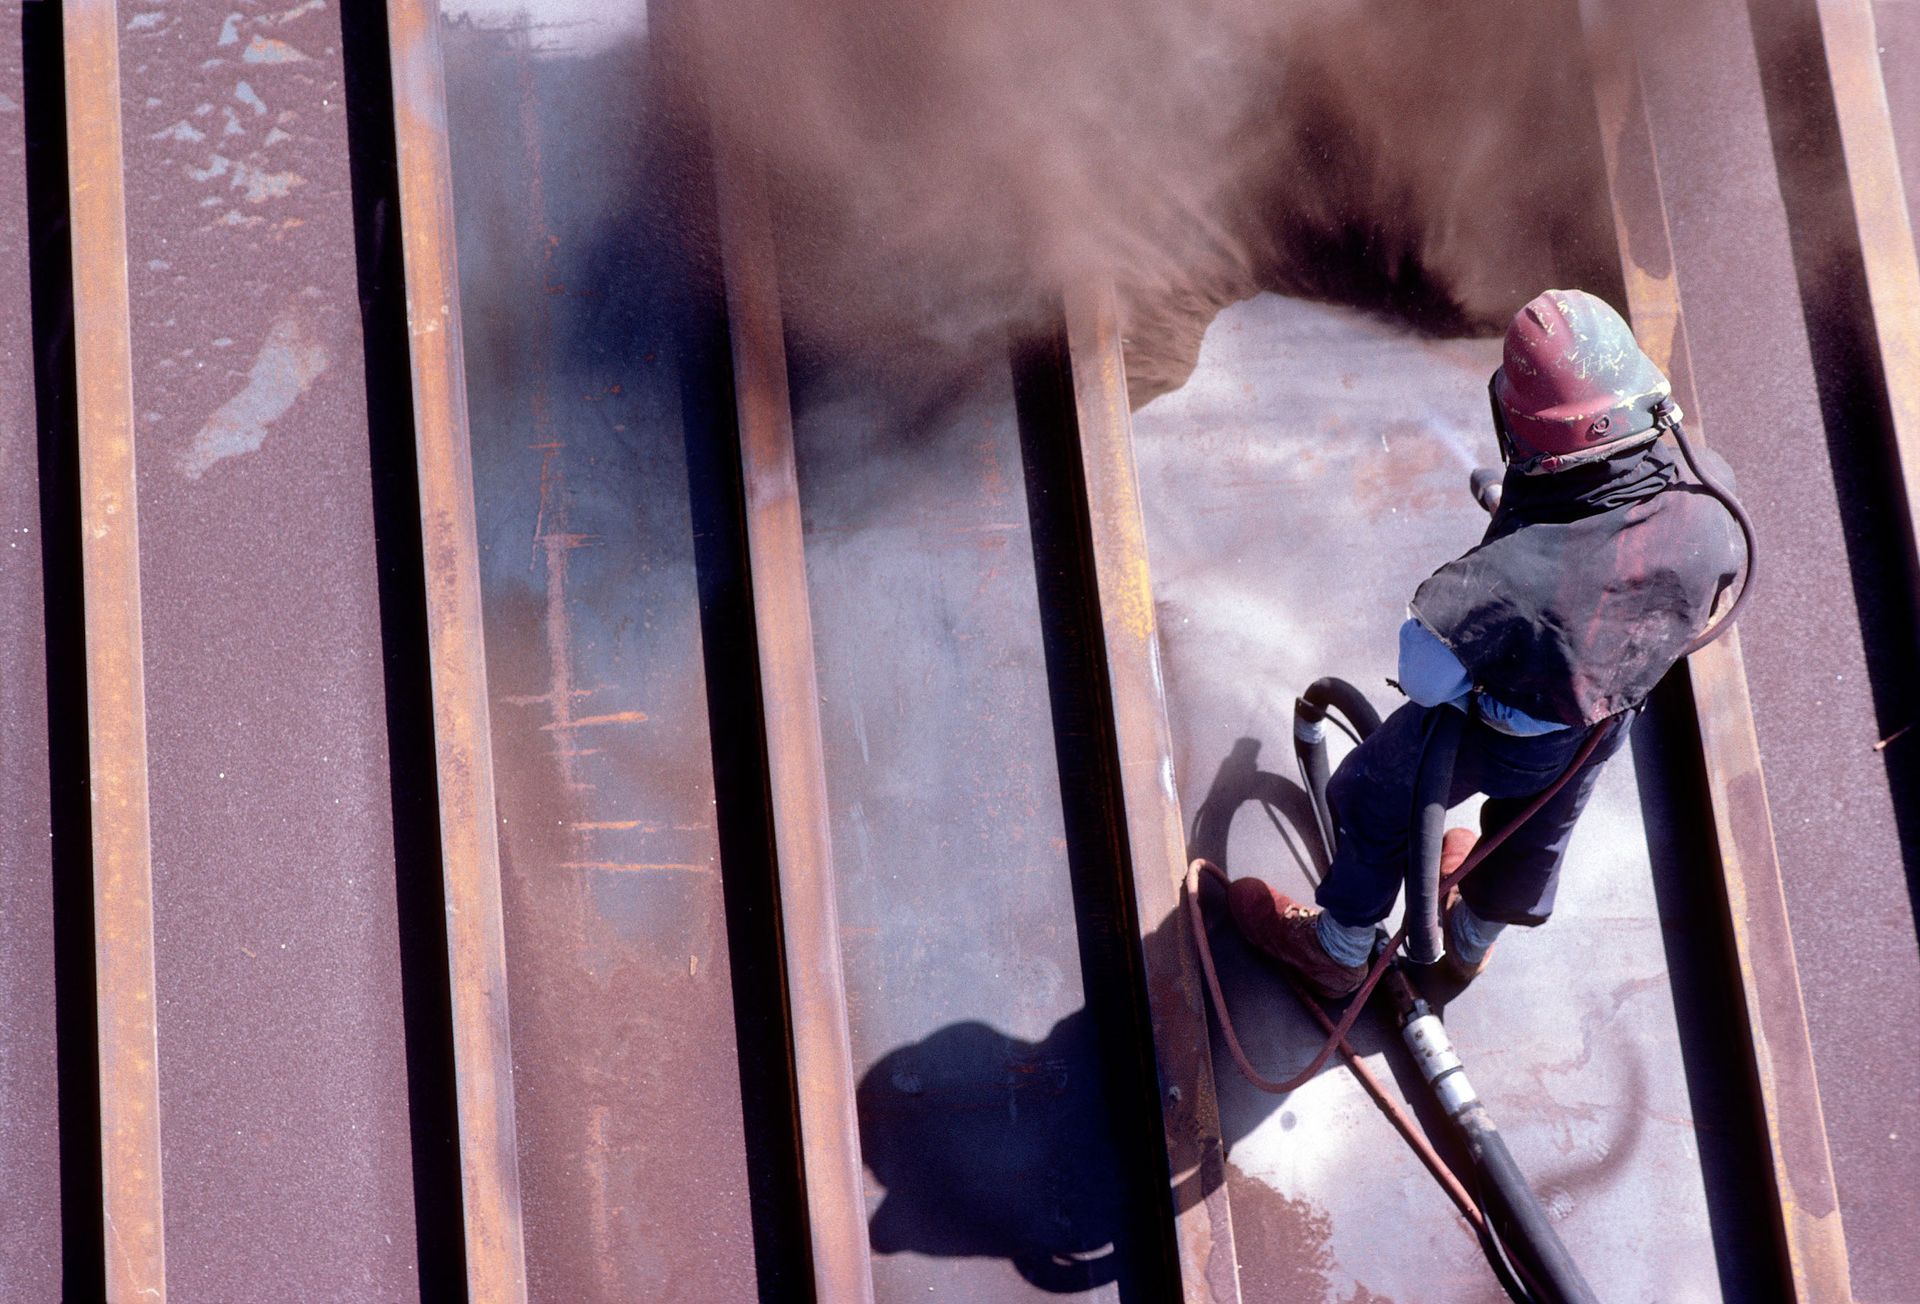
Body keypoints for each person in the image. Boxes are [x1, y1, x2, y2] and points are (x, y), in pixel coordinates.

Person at [1228, 289, 1746, 999]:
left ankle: (1340, 949)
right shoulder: (1711, 493)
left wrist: (1522, 547)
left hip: (1499, 733)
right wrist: (1540, 519)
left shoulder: (1503, 583)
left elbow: (1426, 678)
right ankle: (1468, 945)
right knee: (1537, 838)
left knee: (1373, 795)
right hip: (1604, 720)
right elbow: (1658, 571)